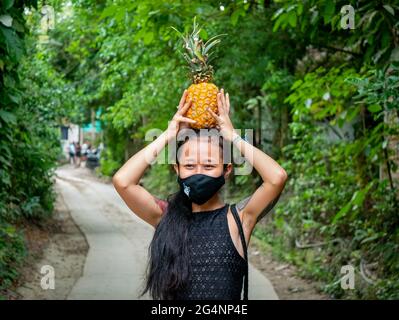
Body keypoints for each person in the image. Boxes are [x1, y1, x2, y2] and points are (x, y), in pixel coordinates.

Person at [112, 89, 288, 300]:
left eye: (209, 165)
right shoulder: (165, 216)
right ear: (177, 170)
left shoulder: (239, 219)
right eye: (189, 165)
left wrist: (232, 136)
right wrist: (169, 135)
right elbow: (123, 181)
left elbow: (276, 177)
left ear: (227, 170)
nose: (198, 172)